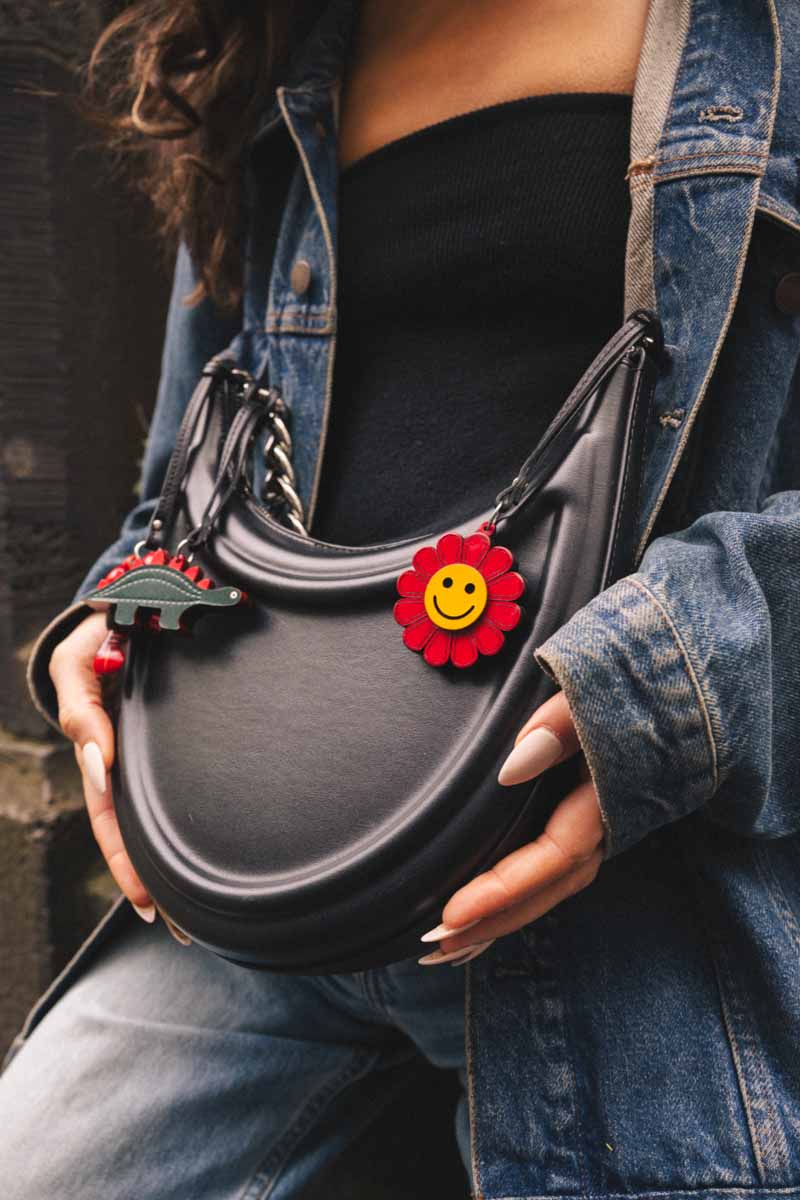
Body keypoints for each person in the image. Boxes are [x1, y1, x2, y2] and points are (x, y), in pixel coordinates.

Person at [3, 0, 800, 1197]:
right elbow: (189, 477)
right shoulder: (266, 51)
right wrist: (110, 621)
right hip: (244, 891)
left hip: (636, 915)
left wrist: (663, 685)